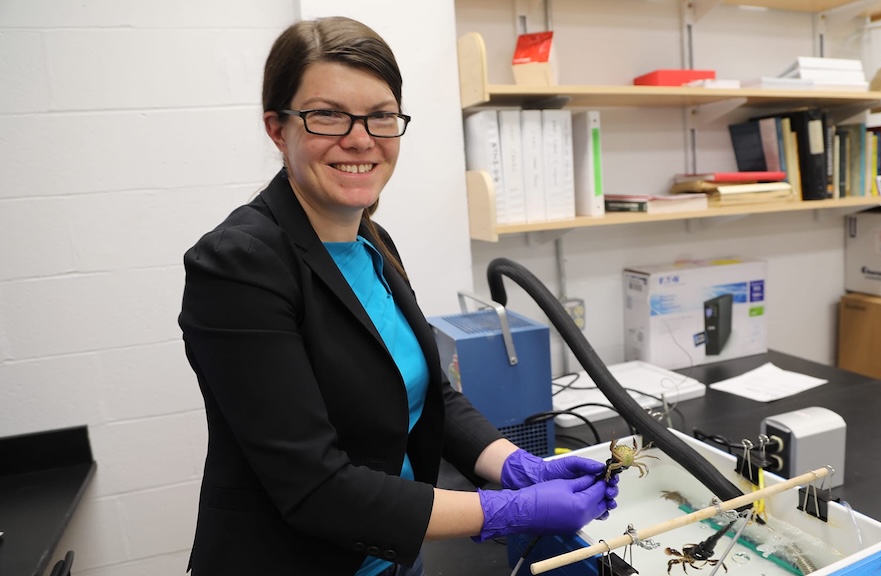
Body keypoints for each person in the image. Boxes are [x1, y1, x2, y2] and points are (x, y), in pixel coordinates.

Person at [178, 16, 617, 576]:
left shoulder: (372, 240)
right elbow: (316, 487)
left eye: (380, 116)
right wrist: (504, 509)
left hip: (390, 556)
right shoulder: (238, 265)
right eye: (327, 114)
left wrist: (516, 467)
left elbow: (432, 393)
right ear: (276, 127)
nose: (360, 138)